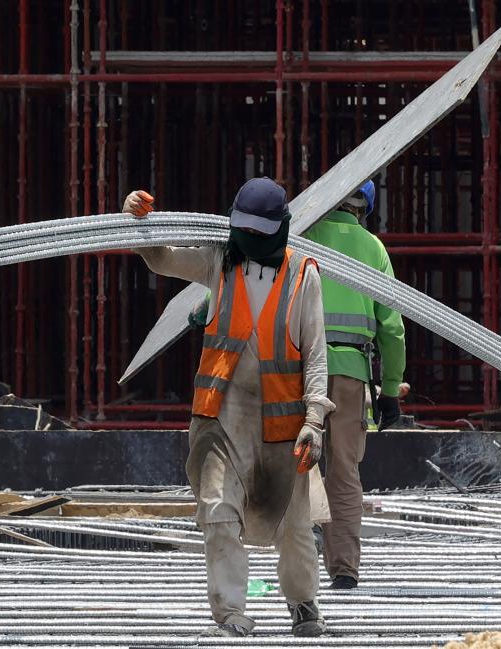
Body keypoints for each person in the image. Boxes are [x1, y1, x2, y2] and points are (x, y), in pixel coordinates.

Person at [122, 179, 335, 638]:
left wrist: (314, 421)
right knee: (218, 512)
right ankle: (231, 611)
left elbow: (317, 354)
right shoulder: (222, 261)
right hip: (223, 418)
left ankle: (303, 603)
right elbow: (164, 260)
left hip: (285, 425)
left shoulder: (304, 275)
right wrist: (141, 223)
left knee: (295, 528)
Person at [302, 180, 406, 590]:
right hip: (350, 375)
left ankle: (299, 563)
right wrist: (391, 390)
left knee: (299, 465)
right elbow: (392, 328)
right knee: (343, 471)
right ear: (366, 209)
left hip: (300, 370)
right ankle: (343, 568)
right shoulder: (374, 249)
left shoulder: (304, 236)